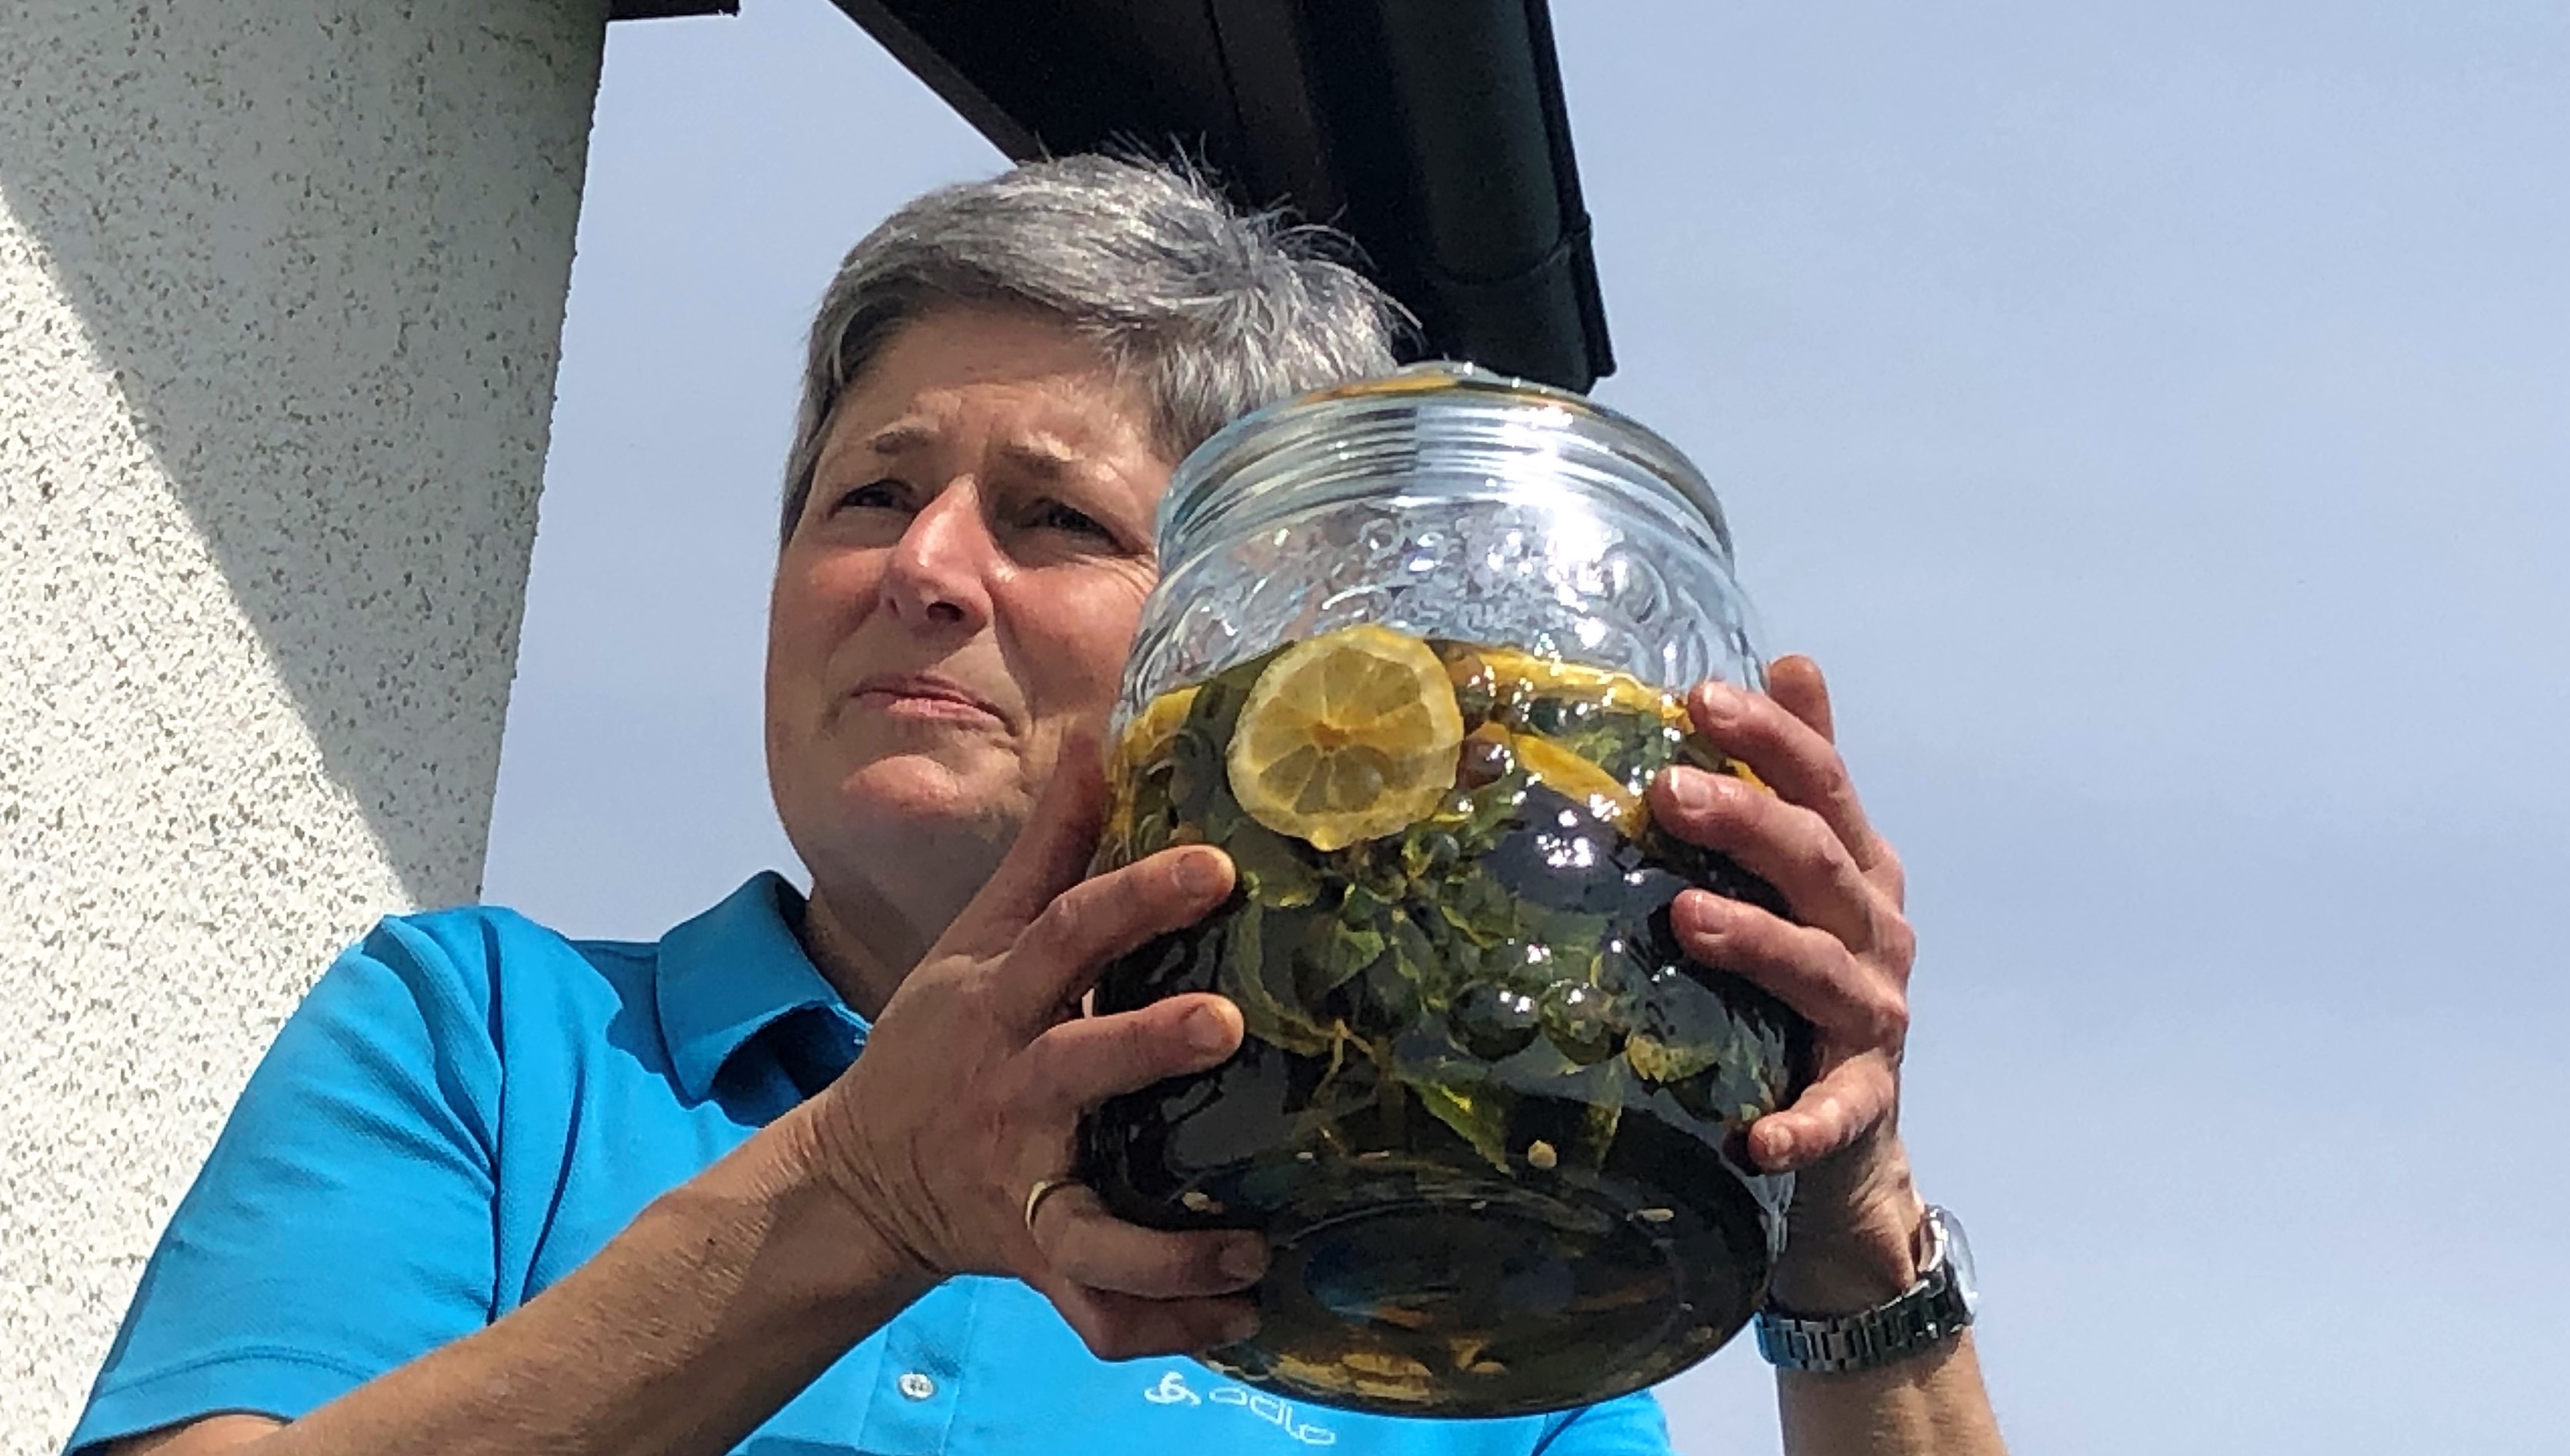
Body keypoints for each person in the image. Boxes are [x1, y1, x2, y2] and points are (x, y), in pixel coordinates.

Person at [65, 156, 2005, 1456]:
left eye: (1053, 517)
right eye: (865, 493)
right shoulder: (490, 1038)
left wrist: (1850, 1232)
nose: (922, 567)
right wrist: (860, 1189)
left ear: (1284, 659)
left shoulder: (1441, 1209)